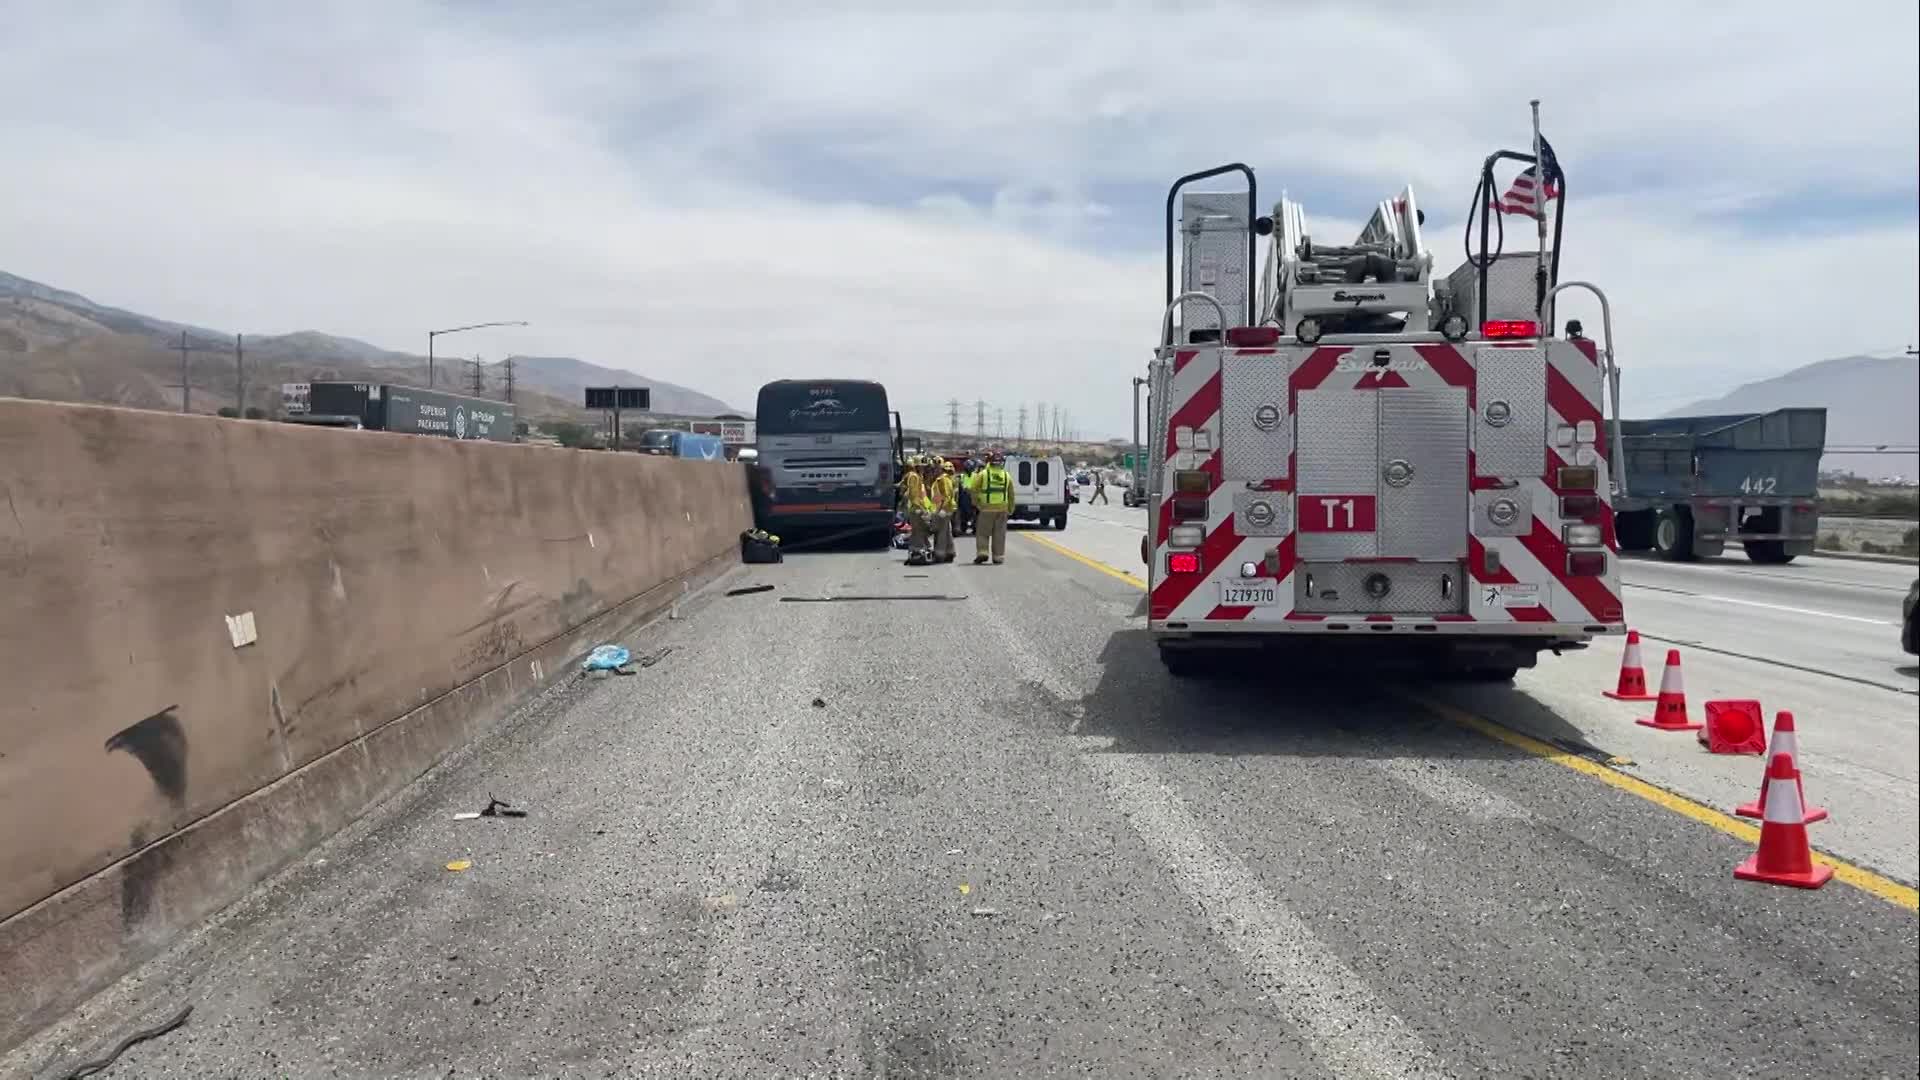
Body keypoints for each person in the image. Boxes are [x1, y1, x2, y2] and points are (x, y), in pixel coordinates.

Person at [968, 450, 1014, 564]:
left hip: (986, 508)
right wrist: (1011, 509)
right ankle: (998, 556)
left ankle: (983, 552)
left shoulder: (983, 474)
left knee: (983, 532)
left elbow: (974, 489)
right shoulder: (1006, 476)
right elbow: (1011, 494)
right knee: (999, 534)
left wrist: (976, 503)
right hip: (1002, 509)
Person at [928, 459, 957, 563]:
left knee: (940, 532)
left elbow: (946, 496)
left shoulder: (942, 480)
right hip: (945, 508)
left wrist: (942, 510)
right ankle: (950, 552)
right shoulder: (944, 479)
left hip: (942, 509)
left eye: (935, 468)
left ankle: (939, 554)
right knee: (946, 531)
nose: (933, 470)